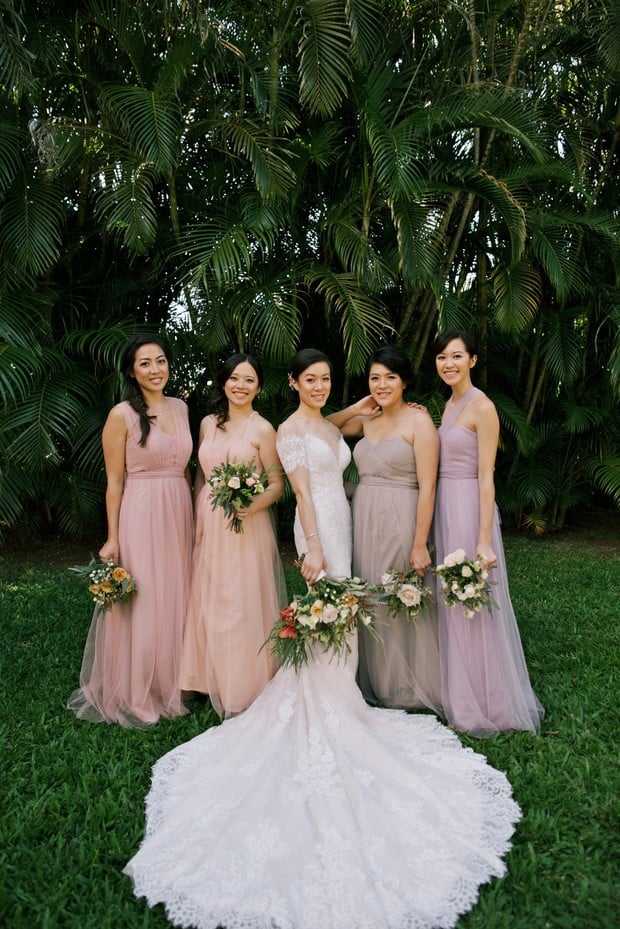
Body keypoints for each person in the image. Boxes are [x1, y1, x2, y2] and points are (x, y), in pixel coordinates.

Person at [123, 347, 522, 929]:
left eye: (326, 379)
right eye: (308, 379)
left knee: (346, 613)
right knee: (332, 609)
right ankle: (325, 698)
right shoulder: (286, 429)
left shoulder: (322, 421)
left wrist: (347, 408)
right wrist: (310, 545)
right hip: (323, 531)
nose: (318, 386)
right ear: (290, 383)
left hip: (347, 523)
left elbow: (327, 432)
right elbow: (303, 491)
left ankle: (341, 691)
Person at [68, 334, 193, 727]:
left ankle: (174, 680)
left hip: (178, 508)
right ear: (131, 371)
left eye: (160, 361)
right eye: (145, 363)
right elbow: (114, 482)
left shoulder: (182, 407)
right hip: (140, 511)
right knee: (146, 596)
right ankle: (138, 688)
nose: (155, 370)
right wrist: (112, 537)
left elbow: (189, 469)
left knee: (176, 591)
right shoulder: (121, 414)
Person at [433, 330, 544, 734]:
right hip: (444, 506)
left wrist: (483, 538)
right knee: (452, 596)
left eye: (457, 356)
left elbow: (485, 477)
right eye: (442, 357)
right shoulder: (448, 405)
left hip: (469, 507)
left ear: (473, 360)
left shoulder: (482, 407)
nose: (449, 363)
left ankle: (490, 701)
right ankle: (461, 692)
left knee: (474, 597)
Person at [331, 346, 442, 712]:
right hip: (365, 517)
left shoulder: (419, 422)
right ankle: (376, 680)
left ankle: (407, 685)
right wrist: (359, 407)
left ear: (405, 381)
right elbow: (322, 427)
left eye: (390, 377)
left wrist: (420, 543)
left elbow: (428, 486)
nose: (382, 384)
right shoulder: (367, 421)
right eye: (375, 377)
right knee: (371, 594)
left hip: (402, 514)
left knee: (399, 595)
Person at [179, 353, 286, 718]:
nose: (241, 386)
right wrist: (197, 516)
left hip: (246, 524)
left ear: (258, 387)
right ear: (223, 382)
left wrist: (250, 505)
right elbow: (200, 474)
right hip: (210, 520)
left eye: (249, 380)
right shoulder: (208, 423)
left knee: (240, 602)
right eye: (234, 378)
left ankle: (243, 683)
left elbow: (277, 483)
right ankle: (204, 678)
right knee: (208, 596)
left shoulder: (262, 429)